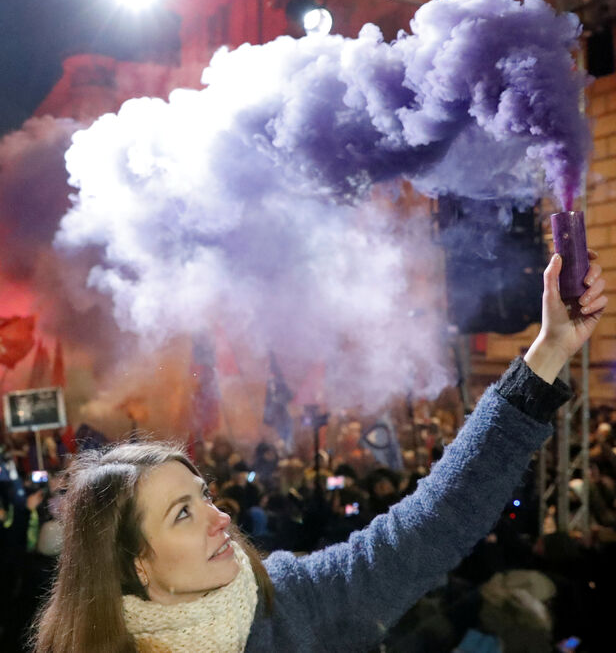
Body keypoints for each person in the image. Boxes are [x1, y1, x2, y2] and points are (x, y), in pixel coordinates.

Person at [32, 252, 608, 652]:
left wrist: (549, 351)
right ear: (136, 562)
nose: (221, 518)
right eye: (183, 513)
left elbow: (430, 525)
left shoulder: (288, 602)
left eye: (202, 496)